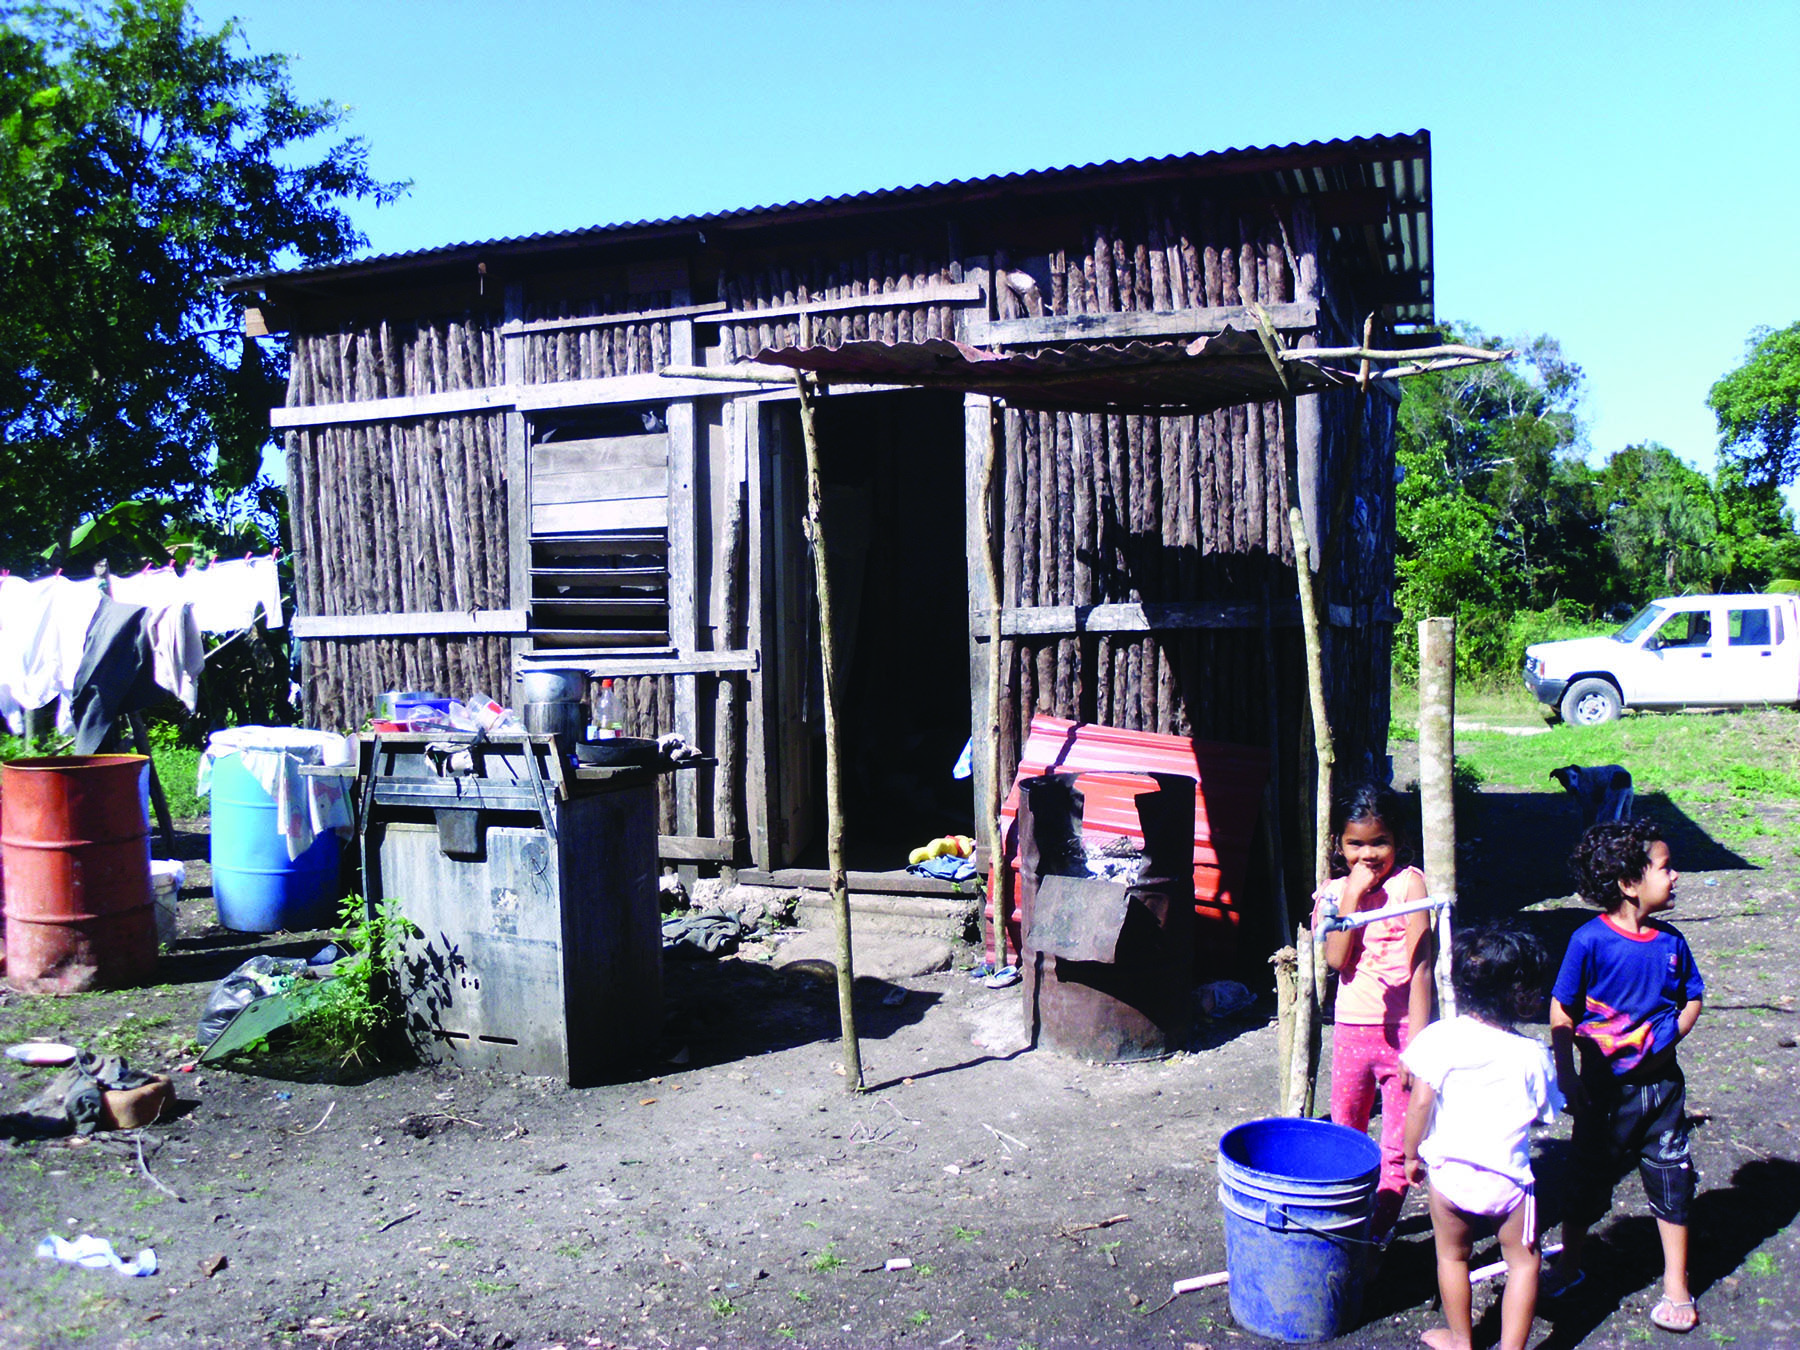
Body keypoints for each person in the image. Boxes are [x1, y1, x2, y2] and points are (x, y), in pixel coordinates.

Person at [1545, 819, 1704, 1335]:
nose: (1676, 876)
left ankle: (1677, 1284)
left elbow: (1693, 997)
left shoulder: (1671, 943)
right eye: (1665, 867)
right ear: (1629, 883)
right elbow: (1562, 1010)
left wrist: (1667, 1040)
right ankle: (1568, 1265)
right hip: (1601, 1096)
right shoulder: (1589, 942)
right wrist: (1567, 1076)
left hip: (1663, 1092)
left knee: (1672, 1178)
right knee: (1585, 1183)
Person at [1403, 925, 1561, 1350]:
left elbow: (1419, 1104)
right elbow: (1546, 1114)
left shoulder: (1439, 1037)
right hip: (1507, 1181)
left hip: (1449, 1174)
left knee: (1451, 1256)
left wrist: (1410, 1155)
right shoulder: (1532, 1054)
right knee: (1524, 1264)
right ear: (1522, 992)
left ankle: (1460, 1340)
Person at [1313, 782, 1434, 1238]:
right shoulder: (1332, 894)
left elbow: (1421, 970)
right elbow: (1336, 959)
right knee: (1346, 1132)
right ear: (1339, 845)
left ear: (1397, 841)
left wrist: (1418, 1049)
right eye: (1355, 843)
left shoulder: (1410, 885)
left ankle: (1377, 1232)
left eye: (1378, 842)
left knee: (1399, 1146)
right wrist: (1351, 899)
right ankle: (1346, 1224)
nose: (1368, 854)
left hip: (1403, 1033)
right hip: (1351, 1033)